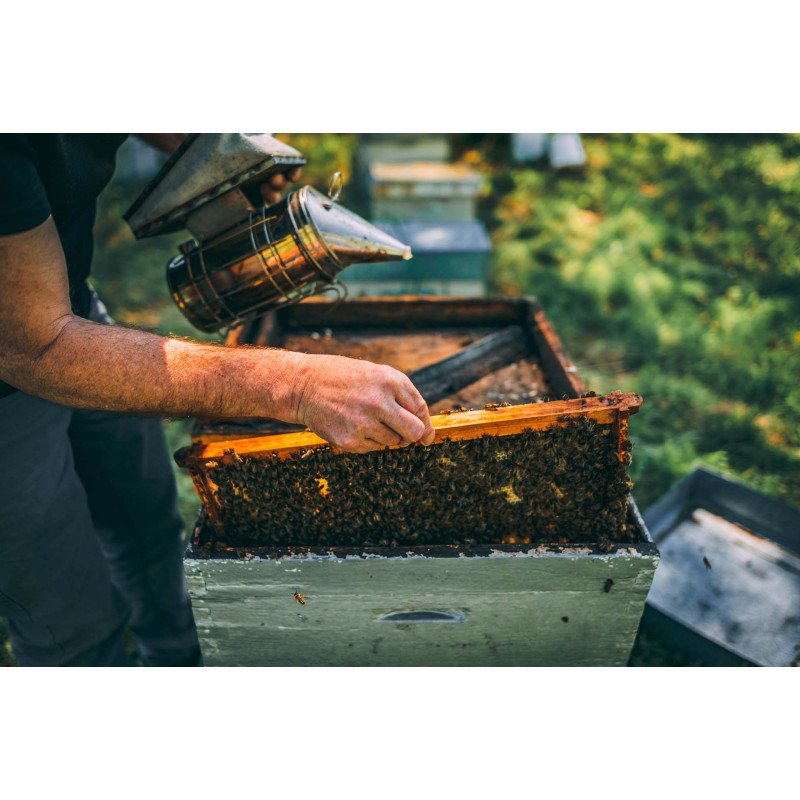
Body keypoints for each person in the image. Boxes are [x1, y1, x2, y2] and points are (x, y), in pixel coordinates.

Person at [0, 134, 434, 666]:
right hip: (22, 355)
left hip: (67, 301)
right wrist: (296, 384)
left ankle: (177, 661)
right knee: (68, 614)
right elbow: (36, 347)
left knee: (146, 524)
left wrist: (213, 150)